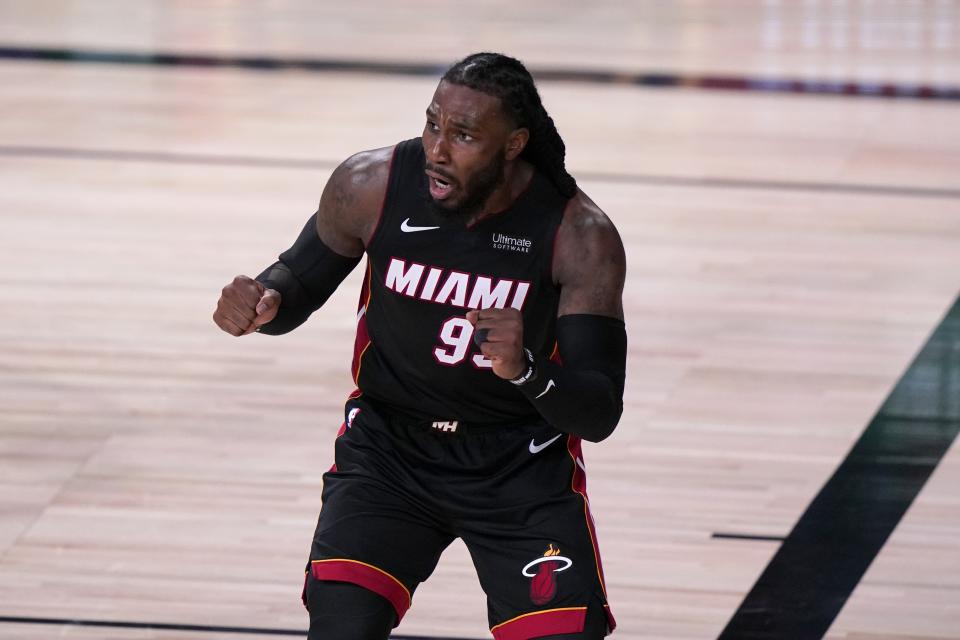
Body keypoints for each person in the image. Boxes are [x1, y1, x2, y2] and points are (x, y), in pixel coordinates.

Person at [213, 52, 627, 640]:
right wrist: (263, 304)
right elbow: (297, 283)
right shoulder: (370, 184)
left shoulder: (579, 236)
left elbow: (599, 410)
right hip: (389, 453)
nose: (437, 148)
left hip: (519, 467)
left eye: (463, 136)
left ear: (512, 145)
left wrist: (526, 370)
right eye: (433, 123)